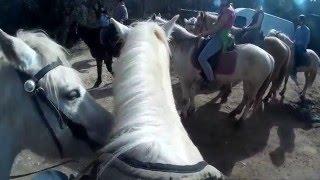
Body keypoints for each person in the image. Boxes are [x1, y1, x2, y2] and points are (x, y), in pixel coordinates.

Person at [198, 0, 235, 82]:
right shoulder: (227, 8)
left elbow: (217, 28)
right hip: (220, 34)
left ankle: (210, 80)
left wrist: (204, 33)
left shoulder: (227, 11)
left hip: (220, 37)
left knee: (202, 58)